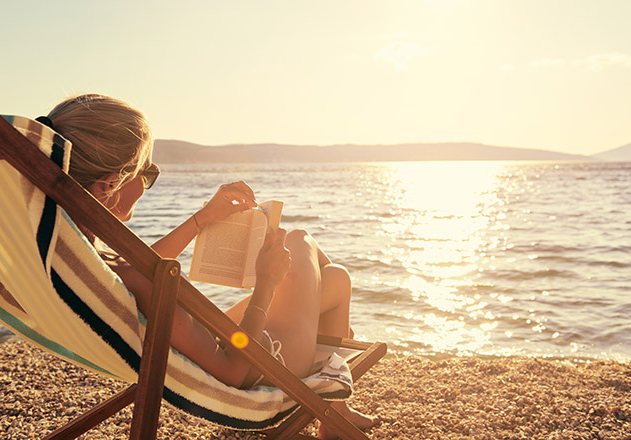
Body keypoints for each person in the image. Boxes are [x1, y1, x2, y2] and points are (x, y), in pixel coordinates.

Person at [42, 93, 379, 439]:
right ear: (109, 185)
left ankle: (336, 409)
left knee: (335, 279)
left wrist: (202, 219)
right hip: (262, 364)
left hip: (226, 343)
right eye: (147, 174)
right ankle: (333, 400)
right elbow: (234, 372)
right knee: (299, 239)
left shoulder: (75, 249)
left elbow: (137, 268)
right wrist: (266, 281)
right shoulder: (126, 275)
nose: (147, 184)